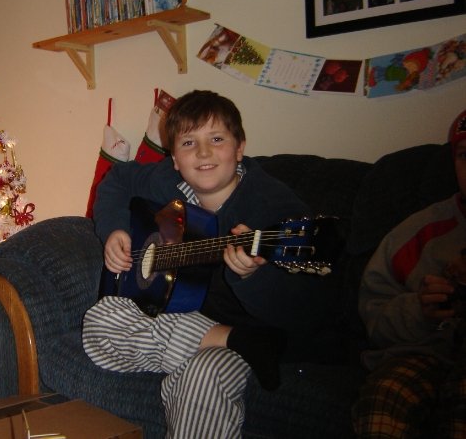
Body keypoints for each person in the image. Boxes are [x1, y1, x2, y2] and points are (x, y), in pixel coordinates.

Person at [83, 90, 332, 438]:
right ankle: (232, 340)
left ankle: (238, 345)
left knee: (202, 376)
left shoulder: (272, 206)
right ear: (174, 159)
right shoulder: (168, 181)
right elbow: (118, 179)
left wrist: (252, 277)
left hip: (257, 329)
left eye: (216, 139)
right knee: (100, 320)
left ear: (240, 147)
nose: (203, 153)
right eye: (188, 143)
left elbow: (308, 310)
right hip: (202, 324)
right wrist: (114, 230)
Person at [352, 108, 466, 438]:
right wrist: (420, 309)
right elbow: (374, 317)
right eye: (464, 155)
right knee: (381, 406)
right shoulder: (421, 231)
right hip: (423, 354)